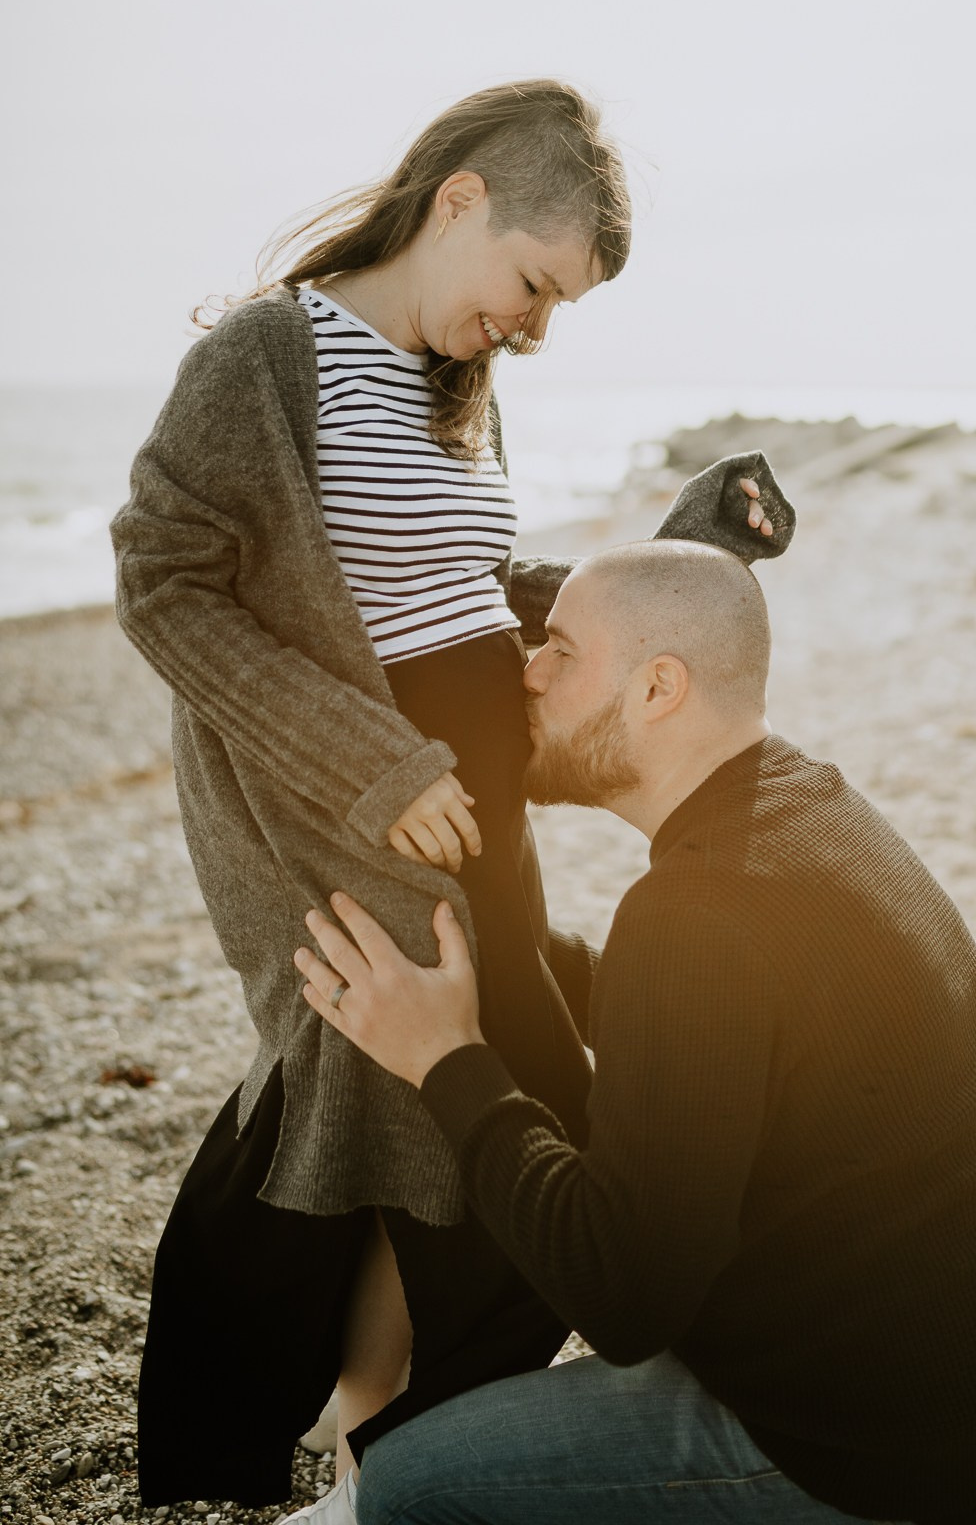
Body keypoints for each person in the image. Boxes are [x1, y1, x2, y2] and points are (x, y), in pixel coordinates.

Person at [110, 80, 794, 1511]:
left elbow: (451, 593)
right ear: (464, 198)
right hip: (358, 818)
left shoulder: (449, 380)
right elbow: (165, 582)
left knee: (429, 1147)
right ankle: (362, 1465)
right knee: (413, 1129)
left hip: (474, 814)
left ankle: (386, 1467)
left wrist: (676, 557)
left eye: (557, 313)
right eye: (533, 286)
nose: (532, 329)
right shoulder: (266, 356)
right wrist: (379, 770)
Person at [294, 539, 976, 1525]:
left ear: (656, 689)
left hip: (902, 1464)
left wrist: (445, 1061)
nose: (527, 671)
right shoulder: (805, 810)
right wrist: (513, 956)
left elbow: (622, 1297)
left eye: (559, 649)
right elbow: (715, 1029)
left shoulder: (690, 916)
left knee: (405, 1484)